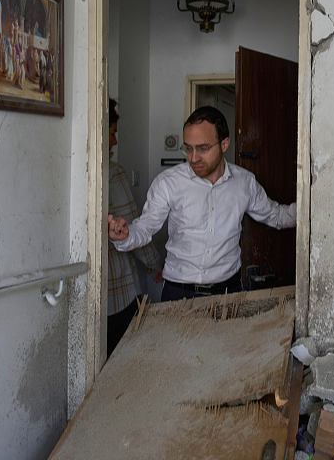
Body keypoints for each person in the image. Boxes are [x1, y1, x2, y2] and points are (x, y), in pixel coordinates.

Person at [108, 106, 296, 302]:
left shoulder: (244, 183)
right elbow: (145, 227)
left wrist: (312, 211)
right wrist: (124, 236)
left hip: (228, 293)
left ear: (224, 144)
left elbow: (276, 216)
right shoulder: (168, 183)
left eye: (203, 148)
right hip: (178, 295)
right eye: (188, 148)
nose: (193, 158)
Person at [106, 99, 164, 356]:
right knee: (125, 359)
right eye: (112, 133)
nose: (115, 141)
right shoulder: (112, 173)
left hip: (87, 301)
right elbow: (132, 228)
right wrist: (156, 263)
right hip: (118, 292)